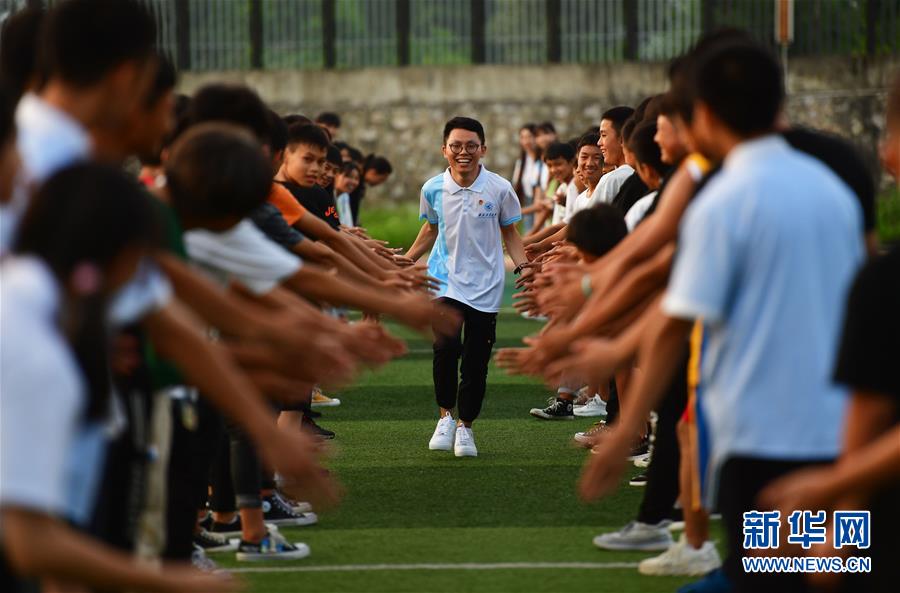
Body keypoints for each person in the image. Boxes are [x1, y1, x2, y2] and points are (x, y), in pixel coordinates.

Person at [579, 41, 864, 593]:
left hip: (764, 438)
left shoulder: (724, 200)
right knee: (828, 572)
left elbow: (675, 321)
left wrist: (623, 430)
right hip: (840, 432)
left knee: (767, 574)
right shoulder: (832, 187)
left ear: (703, 112)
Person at [0, 162, 232, 593]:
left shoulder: (28, 301)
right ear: (124, 258)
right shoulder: (42, 356)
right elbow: (32, 544)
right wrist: (172, 583)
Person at [406, 116, 530, 457]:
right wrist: (406, 259)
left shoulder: (500, 188)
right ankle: (445, 417)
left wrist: (524, 268)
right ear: (444, 149)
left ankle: (466, 427)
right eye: (456, 146)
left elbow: (510, 234)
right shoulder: (432, 188)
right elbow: (430, 229)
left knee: (476, 361)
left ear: (483, 149)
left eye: (471, 146)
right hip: (444, 282)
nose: (464, 152)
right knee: (445, 349)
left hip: (486, 286)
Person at [334, 161, 361, 227]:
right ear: (336, 175)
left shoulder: (345, 197)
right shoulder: (326, 196)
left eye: (356, 178)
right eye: (349, 176)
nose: (353, 182)